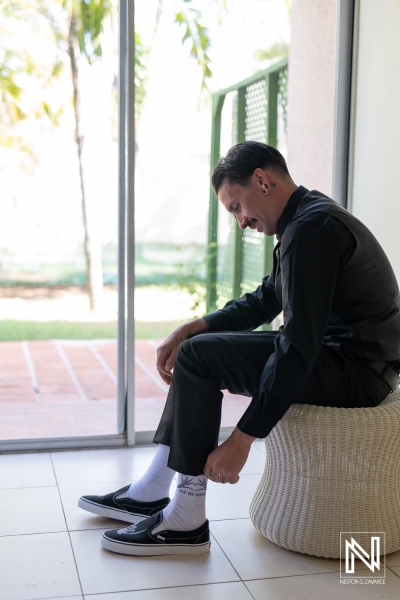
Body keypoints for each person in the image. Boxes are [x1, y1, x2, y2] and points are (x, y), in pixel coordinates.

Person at [78, 141, 400, 556]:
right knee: (198, 348)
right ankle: (154, 490)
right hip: (346, 360)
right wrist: (193, 327)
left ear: (262, 181)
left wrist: (242, 438)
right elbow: (267, 299)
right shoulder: (306, 219)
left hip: (357, 374)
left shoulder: (312, 229)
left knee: (200, 358)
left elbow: (298, 346)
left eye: (235, 206)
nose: (240, 220)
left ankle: (185, 517)